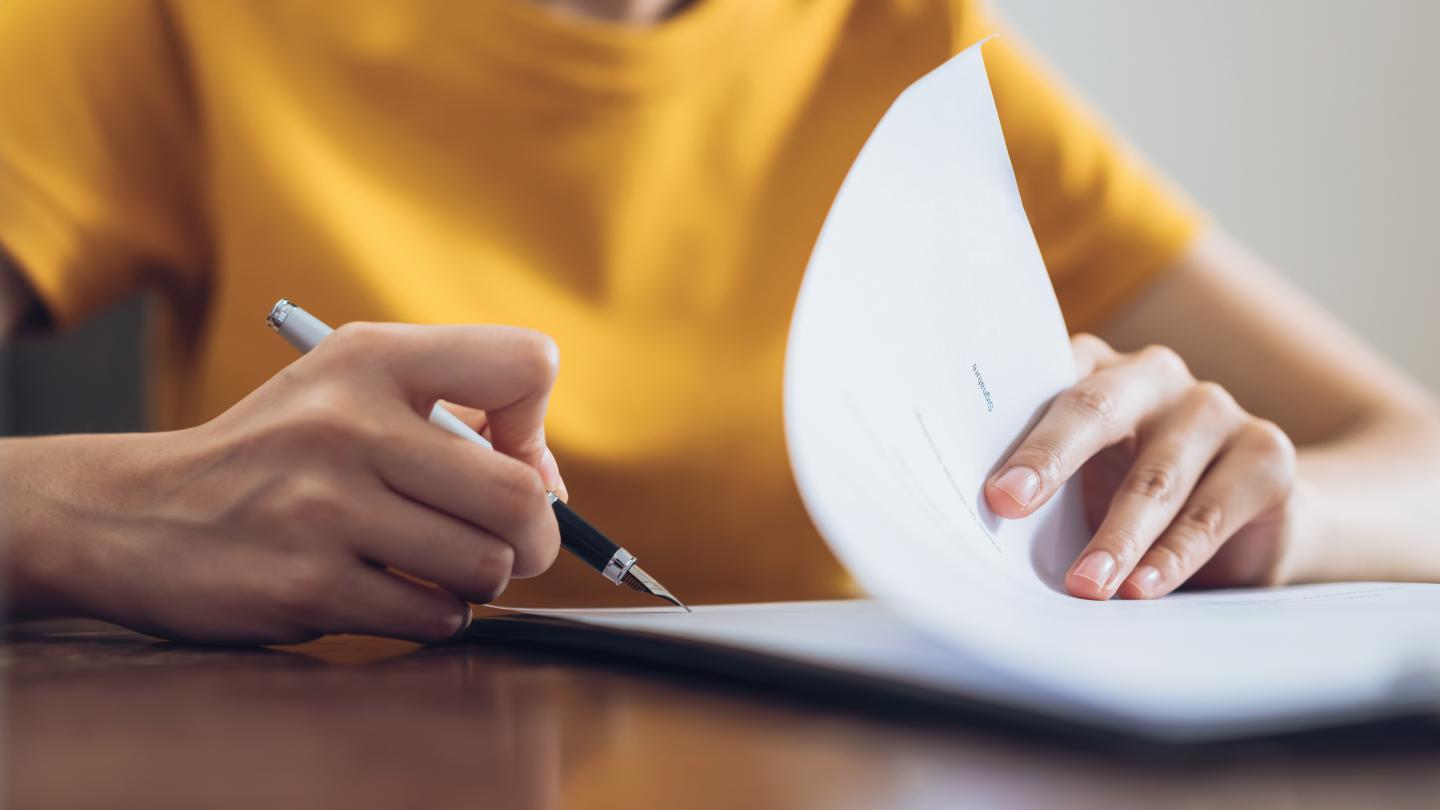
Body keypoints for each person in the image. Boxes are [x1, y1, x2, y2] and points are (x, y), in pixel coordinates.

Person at [2, 0, 1438, 644]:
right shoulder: (180, 16)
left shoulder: (905, 45)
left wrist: (1278, 514)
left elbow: (1420, 458)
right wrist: (87, 511)